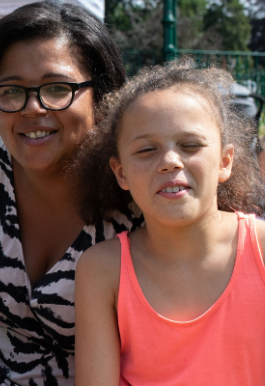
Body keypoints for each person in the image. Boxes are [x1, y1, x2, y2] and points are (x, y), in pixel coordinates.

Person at [0, 2, 143, 385]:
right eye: (12, 91)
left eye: (57, 88)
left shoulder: (138, 186)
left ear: (102, 95)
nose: (32, 108)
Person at [73, 62, 265, 384]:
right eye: (147, 150)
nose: (170, 162)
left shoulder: (262, 249)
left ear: (225, 161)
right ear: (121, 172)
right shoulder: (103, 270)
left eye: (190, 145)